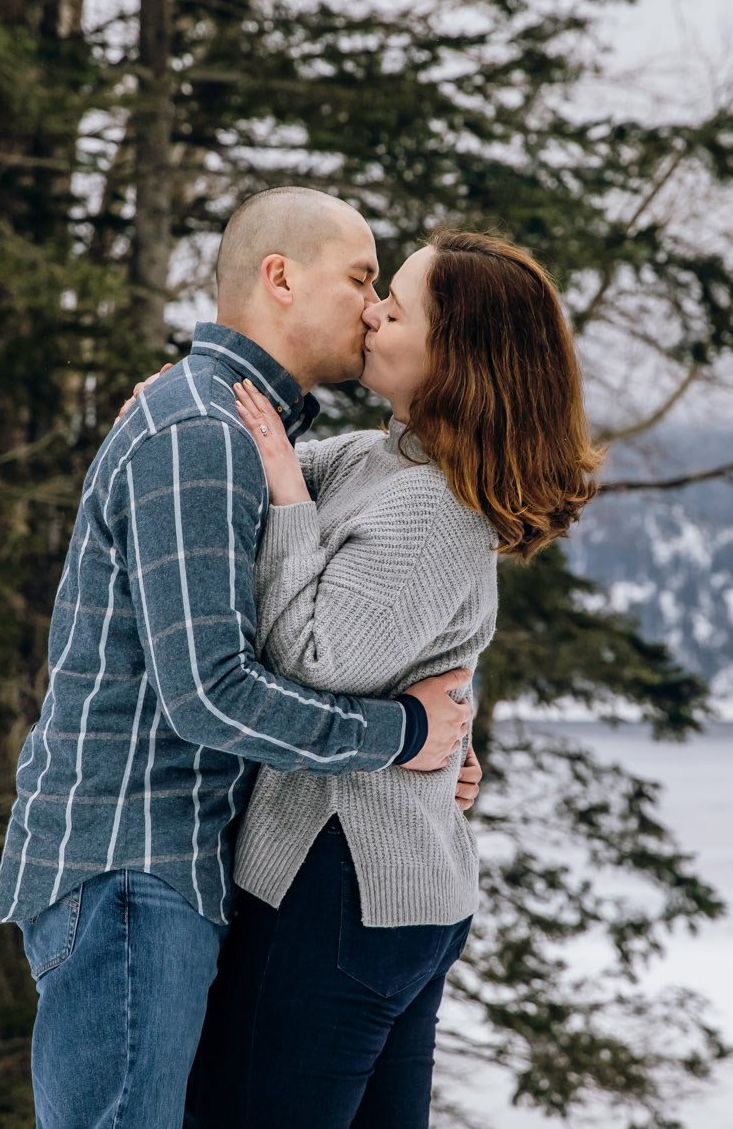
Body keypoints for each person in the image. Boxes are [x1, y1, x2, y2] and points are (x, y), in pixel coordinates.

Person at [0, 187, 479, 1129]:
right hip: (132, 861)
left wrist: (448, 743)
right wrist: (402, 733)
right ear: (281, 278)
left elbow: (403, 572)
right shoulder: (205, 434)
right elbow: (209, 697)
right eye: (361, 278)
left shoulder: (250, 431)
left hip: (173, 865)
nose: (374, 307)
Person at [187, 230, 604, 1129]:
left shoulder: (435, 504)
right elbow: (258, 474)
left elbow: (309, 657)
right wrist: (185, 407)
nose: (373, 310)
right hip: (391, 889)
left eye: (398, 305)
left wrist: (293, 507)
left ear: (454, 357)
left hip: (342, 887)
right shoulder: (388, 461)